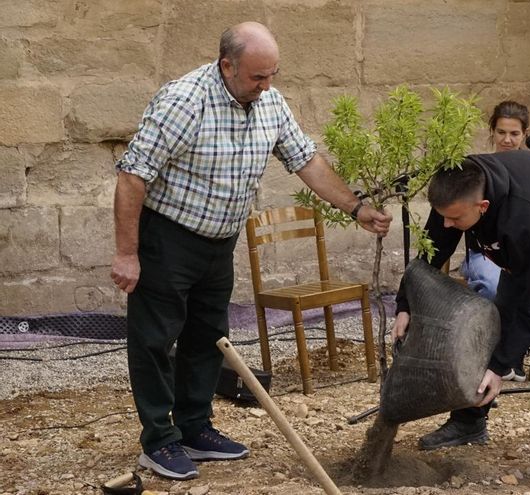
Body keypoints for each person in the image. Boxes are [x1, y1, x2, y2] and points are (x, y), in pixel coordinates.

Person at [110, 22, 391, 481]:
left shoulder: (270, 104)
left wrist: (356, 207)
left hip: (219, 240)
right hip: (167, 236)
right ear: (227, 65)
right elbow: (132, 176)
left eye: (272, 75)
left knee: (208, 335)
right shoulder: (183, 101)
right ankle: (158, 441)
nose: (267, 86)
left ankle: (195, 427)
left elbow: (307, 160)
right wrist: (127, 253)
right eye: (258, 77)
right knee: (156, 339)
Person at [392, 152, 530, 492]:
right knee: (492, 320)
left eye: (453, 219)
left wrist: (500, 367)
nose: (446, 225)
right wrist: (405, 304)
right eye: (442, 217)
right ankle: (470, 421)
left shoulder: (520, 215)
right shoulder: (455, 192)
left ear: (483, 206)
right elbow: (430, 257)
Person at [458, 100, 530, 381]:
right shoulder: (478, 170)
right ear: (492, 132)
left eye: (514, 134)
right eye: (501, 132)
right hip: (486, 254)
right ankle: (495, 354)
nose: (507, 140)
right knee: (493, 285)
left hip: (527, 254)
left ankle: (518, 348)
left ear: (525, 135)